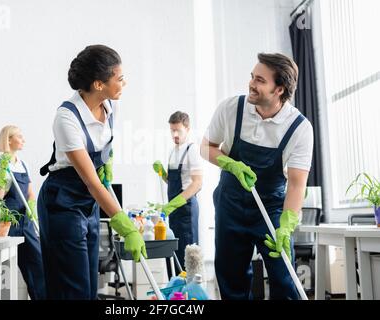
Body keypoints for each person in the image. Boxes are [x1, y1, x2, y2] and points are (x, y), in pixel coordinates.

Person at [37, 45, 147, 300]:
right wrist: (126, 226)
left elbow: (102, 148)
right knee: (72, 290)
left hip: (88, 204)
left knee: (88, 288)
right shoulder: (67, 117)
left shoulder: (110, 107)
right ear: (99, 84)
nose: (124, 82)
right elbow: (91, 182)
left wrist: (106, 162)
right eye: (119, 78)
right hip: (62, 203)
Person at [201, 53, 314, 300]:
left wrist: (286, 225)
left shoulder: (299, 128)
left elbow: (296, 184)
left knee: (284, 276)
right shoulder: (232, 108)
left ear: (279, 89)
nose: (251, 83)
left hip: (271, 207)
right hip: (230, 203)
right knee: (231, 278)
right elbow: (205, 146)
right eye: (252, 76)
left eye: (260, 80)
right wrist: (230, 164)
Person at [0, 125, 46, 300]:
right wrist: (2, 171)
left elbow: (30, 193)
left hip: (26, 224)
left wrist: (32, 208)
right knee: (3, 273)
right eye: (19, 136)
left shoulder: (23, 165)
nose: (23, 140)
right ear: (9, 140)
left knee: (38, 266)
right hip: (7, 224)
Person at [152, 111, 203, 274]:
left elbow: (197, 183)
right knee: (173, 252)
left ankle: (190, 295)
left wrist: (173, 204)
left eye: (178, 130)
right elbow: (175, 181)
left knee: (188, 256)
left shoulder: (192, 149)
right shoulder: (174, 151)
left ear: (187, 129)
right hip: (174, 210)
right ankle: (176, 293)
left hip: (186, 210)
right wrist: (163, 174)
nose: (174, 134)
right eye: (172, 130)